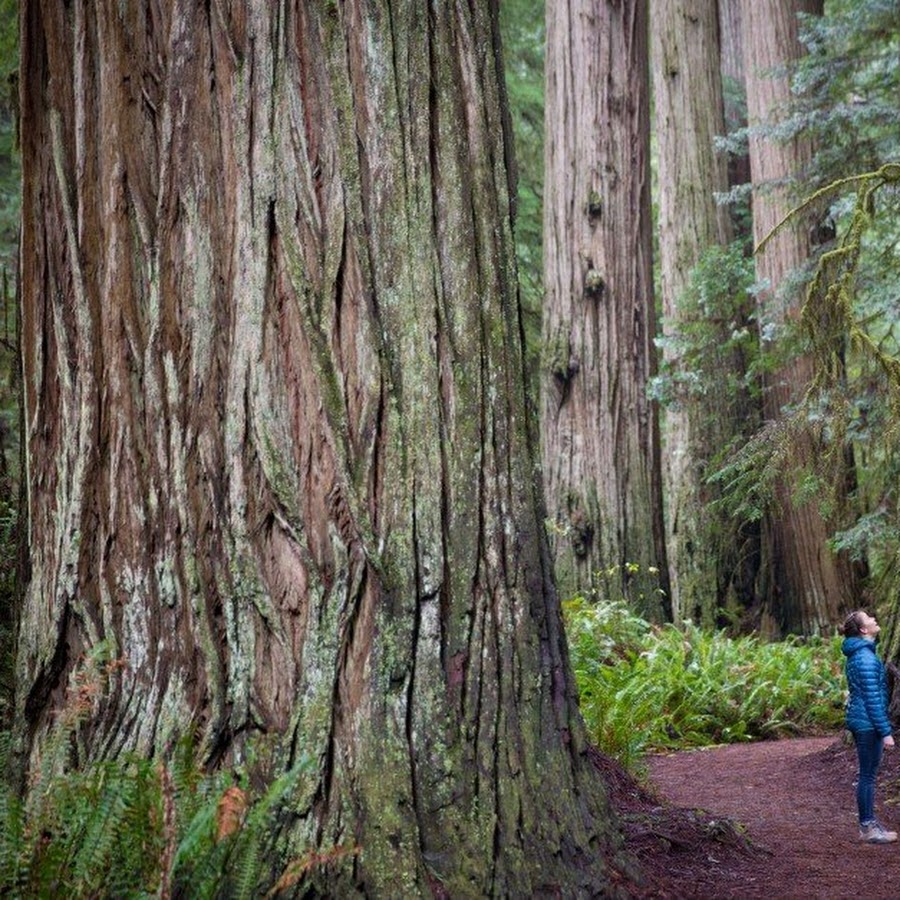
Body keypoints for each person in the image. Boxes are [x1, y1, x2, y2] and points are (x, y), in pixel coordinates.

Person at [842, 609, 897, 843]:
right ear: (864, 630)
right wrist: (886, 732)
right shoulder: (865, 657)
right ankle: (867, 828)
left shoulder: (861, 653)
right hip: (867, 724)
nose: (875, 619)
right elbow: (873, 699)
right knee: (867, 776)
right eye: (869, 619)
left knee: (868, 775)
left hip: (862, 720)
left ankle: (869, 823)